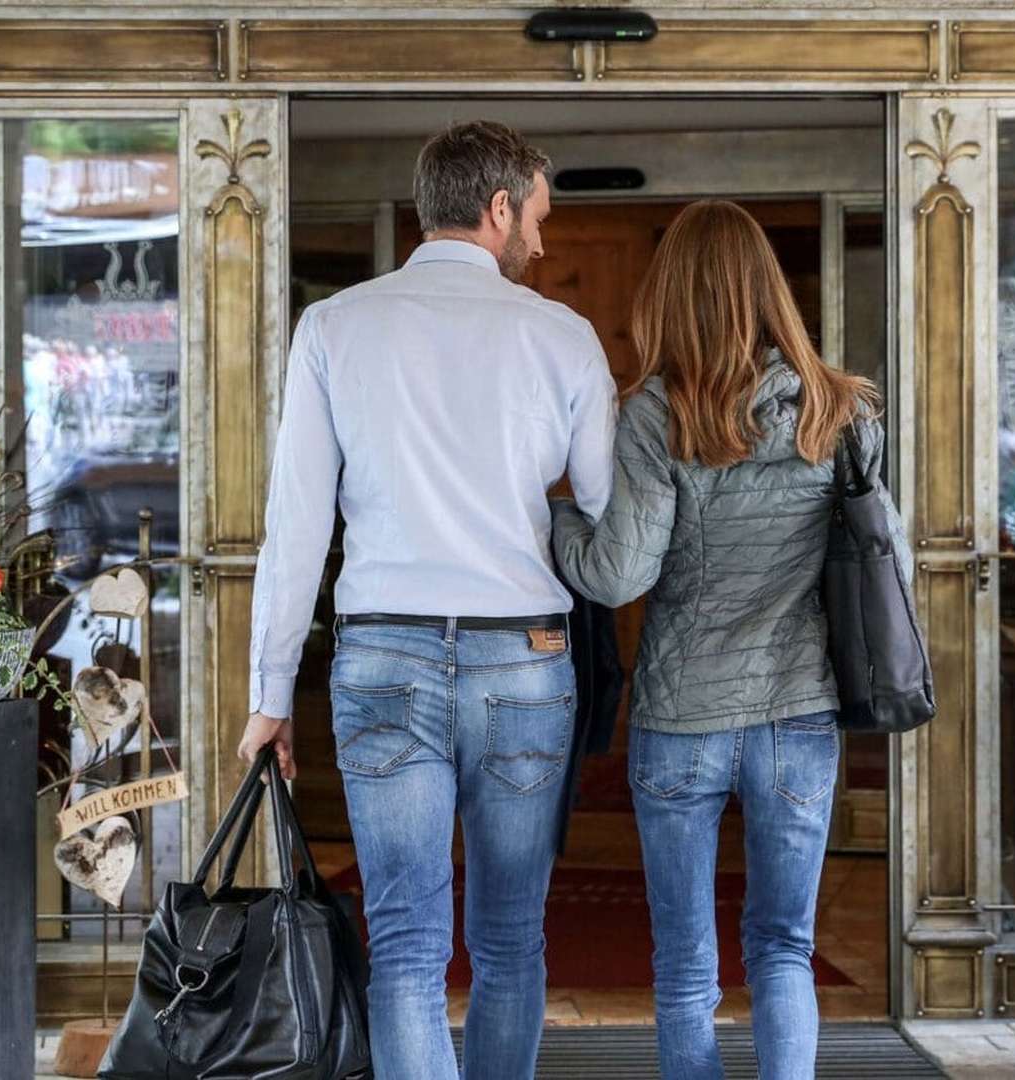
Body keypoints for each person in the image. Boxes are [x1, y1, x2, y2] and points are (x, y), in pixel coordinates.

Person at [237, 120, 617, 1080]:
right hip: (524, 662)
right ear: (497, 210)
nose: (542, 240)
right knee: (509, 940)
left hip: (383, 658)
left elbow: (296, 526)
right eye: (536, 216)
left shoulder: (334, 327)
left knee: (404, 946)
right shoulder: (563, 337)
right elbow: (608, 515)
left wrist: (271, 693)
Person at [552, 199, 910, 1080]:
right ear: (770, 291)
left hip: (681, 719)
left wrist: (553, 522)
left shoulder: (655, 415)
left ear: (670, 295)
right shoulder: (842, 407)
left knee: (684, 967)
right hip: (798, 715)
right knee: (783, 947)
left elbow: (617, 576)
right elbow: (881, 553)